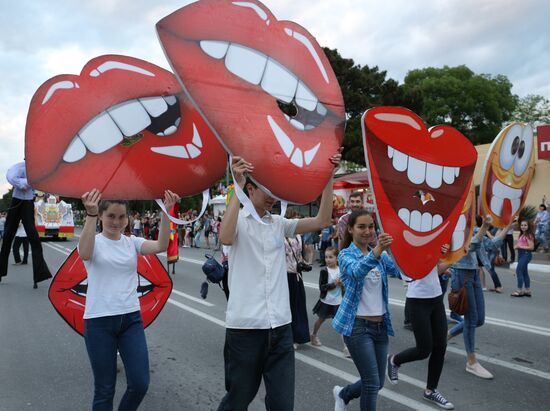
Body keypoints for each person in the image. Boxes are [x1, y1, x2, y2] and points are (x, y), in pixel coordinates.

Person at [218, 151, 341, 411]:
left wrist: (329, 176)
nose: (272, 196)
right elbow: (226, 238)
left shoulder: (279, 223)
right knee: (237, 401)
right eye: (266, 190)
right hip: (246, 330)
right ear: (250, 190)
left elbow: (321, 220)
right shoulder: (237, 220)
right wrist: (236, 186)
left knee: (283, 404)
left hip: (281, 328)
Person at [79, 188, 179, 411]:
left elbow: (161, 246)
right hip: (99, 322)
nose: (116, 221)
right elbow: (84, 254)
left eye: (121, 216)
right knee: (105, 390)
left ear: (128, 218)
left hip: (131, 320)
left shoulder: (131, 243)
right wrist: (90, 214)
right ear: (102, 216)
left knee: (140, 384)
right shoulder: (93, 242)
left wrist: (166, 212)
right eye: (111, 216)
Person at [332, 210, 398, 411]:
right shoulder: (344, 255)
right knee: (371, 383)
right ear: (350, 229)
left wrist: (431, 254)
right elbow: (357, 271)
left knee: (377, 383)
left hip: (380, 327)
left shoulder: (380, 254)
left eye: (371, 226)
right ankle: (344, 395)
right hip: (358, 327)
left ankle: (344, 394)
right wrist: (378, 250)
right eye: (361, 227)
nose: (367, 231)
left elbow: (400, 271)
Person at [386, 246, 454, 410]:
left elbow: (436, 270)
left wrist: (450, 257)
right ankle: (394, 360)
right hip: (417, 301)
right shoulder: (405, 245)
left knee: (441, 345)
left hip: (436, 299)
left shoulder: (431, 242)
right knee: (424, 349)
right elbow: (411, 274)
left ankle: (431, 390)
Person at [447, 215, 509, 379]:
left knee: (479, 320)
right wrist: (484, 228)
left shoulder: (474, 229)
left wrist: (507, 226)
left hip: (474, 275)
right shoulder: (455, 230)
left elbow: (493, 244)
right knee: (472, 318)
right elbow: (471, 246)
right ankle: (471, 362)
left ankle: (447, 335)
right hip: (461, 274)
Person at [0, 161, 51, 288]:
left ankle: (39, 275)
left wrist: (27, 182)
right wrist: (23, 183)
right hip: (16, 202)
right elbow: (11, 176)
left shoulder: (37, 169)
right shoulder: (20, 166)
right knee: (7, 237)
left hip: (28, 203)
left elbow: (42, 180)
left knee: (34, 239)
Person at [310, 247, 347, 355]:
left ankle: (346, 347)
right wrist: (334, 284)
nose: (328, 259)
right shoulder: (324, 271)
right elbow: (322, 287)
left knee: (341, 324)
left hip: (338, 301)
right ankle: (314, 335)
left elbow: (345, 285)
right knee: (321, 319)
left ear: (337, 258)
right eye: (326, 257)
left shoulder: (341, 270)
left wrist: (342, 284)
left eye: (331, 257)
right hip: (326, 300)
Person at [285, 230, 310, 349]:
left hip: (297, 274)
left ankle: (299, 336)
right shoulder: (280, 236)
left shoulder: (299, 237)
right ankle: (290, 337)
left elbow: (302, 255)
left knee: (298, 306)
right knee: (288, 307)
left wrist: (307, 261)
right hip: (284, 275)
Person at [511, 219, 535, 297]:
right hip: (521, 254)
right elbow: (514, 226)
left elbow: (531, 247)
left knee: (519, 271)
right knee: (524, 272)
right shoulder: (522, 234)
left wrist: (519, 246)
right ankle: (527, 290)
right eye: (522, 225)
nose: (523, 227)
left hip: (526, 254)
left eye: (525, 225)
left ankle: (519, 290)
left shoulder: (529, 235)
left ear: (528, 226)